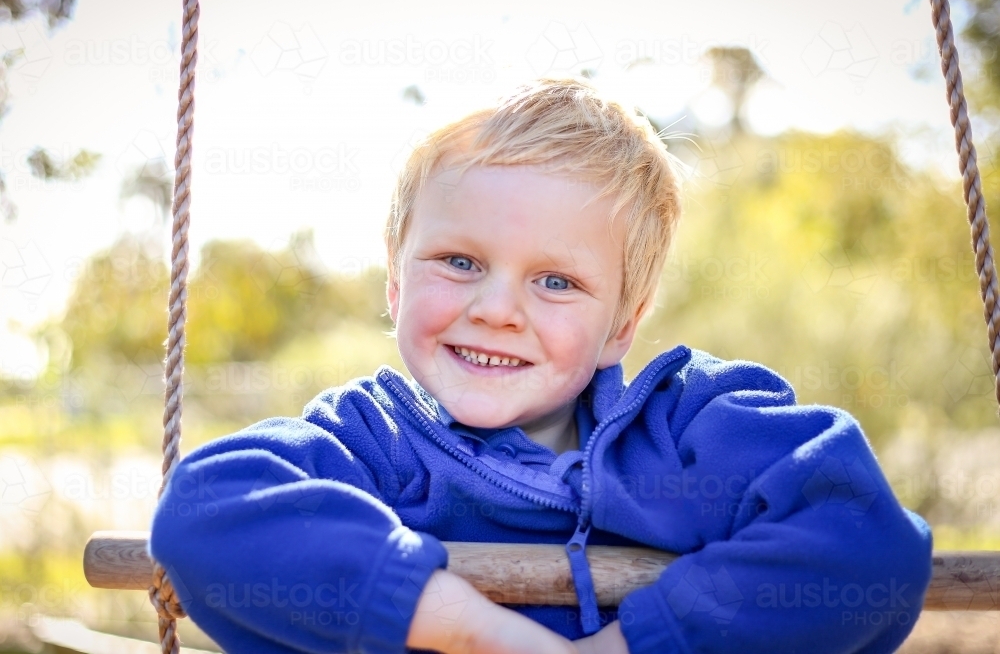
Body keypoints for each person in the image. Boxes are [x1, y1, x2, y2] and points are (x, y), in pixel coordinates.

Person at [149, 77, 933, 654]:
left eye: (556, 281)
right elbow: (204, 510)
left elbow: (866, 538)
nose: (496, 308)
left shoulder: (692, 432)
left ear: (622, 324)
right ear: (394, 286)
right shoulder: (370, 444)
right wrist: (472, 630)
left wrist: (628, 647)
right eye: (459, 261)